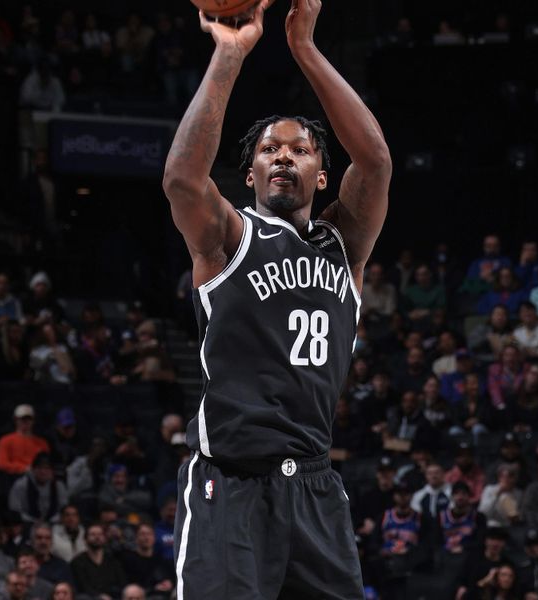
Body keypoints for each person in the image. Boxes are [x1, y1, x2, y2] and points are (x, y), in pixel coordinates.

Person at [162, 1, 392, 597]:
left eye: (300, 149)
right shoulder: (228, 238)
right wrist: (229, 55)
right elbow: (182, 180)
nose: (283, 155)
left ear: (322, 175)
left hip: (314, 487)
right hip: (231, 487)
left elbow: (376, 160)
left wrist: (306, 49)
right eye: (269, 149)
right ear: (252, 175)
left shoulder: (345, 246)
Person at [70, 523, 126, 600]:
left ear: (105, 539)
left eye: (100, 534)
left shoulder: (113, 561)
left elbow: (122, 584)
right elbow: (82, 587)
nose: (97, 537)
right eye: (93, 534)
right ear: (85, 540)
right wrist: (99, 597)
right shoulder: (77, 562)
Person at [7, 453, 67, 524]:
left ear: (52, 471)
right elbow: (15, 511)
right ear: (33, 469)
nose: (43, 472)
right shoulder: (20, 485)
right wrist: (34, 521)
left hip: (53, 524)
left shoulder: (59, 486)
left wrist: (49, 522)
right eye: (39, 468)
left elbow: (64, 510)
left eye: (47, 468)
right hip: (26, 523)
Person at [0, 404, 50, 476]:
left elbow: (48, 464)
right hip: (14, 478)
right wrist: (24, 468)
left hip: (37, 479)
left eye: (29, 419)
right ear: (15, 420)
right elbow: (2, 464)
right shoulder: (5, 441)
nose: (26, 421)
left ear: (33, 420)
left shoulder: (42, 443)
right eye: (22, 419)